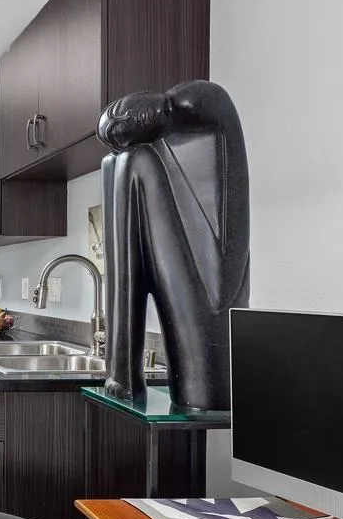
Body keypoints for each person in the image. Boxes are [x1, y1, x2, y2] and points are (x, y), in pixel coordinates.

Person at [99, 80, 250, 410]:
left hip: (214, 277)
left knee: (130, 162)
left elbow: (198, 106)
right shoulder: (157, 148)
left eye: (120, 117)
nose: (119, 129)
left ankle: (122, 368)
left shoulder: (199, 101)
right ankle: (121, 367)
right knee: (115, 164)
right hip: (201, 267)